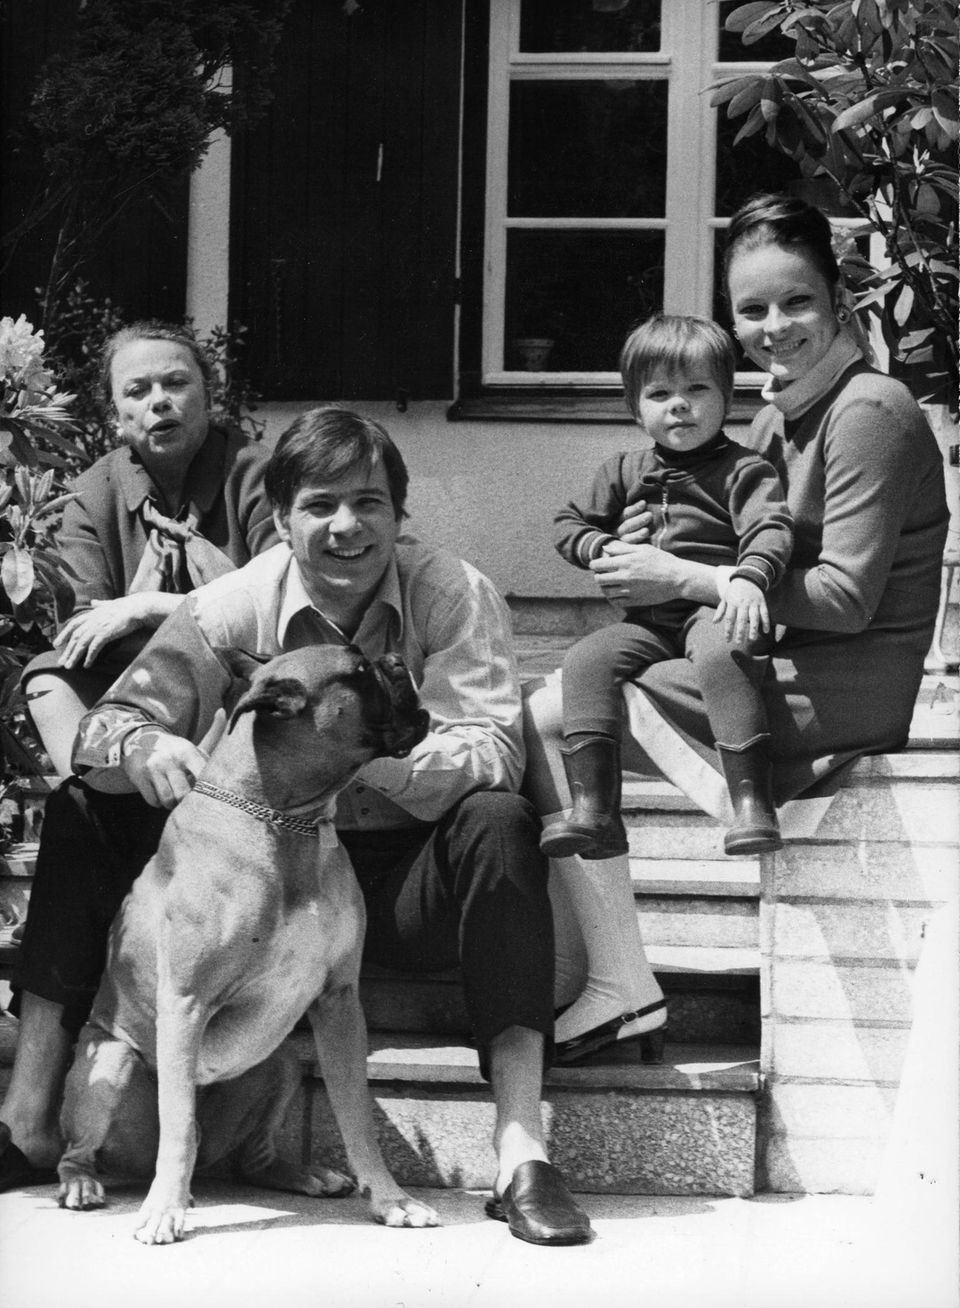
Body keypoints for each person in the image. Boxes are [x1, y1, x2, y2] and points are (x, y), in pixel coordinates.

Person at [0, 407, 593, 1246]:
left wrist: (349, 752)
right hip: (253, 864)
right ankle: (31, 1110)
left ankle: (522, 1149)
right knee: (84, 806)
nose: (346, 525)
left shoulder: (452, 590)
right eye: (319, 505)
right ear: (280, 521)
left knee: (498, 818)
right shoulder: (233, 604)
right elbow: (110, 722)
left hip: (393, 874)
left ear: (399, 513)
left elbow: (492, 751)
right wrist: (144, 743)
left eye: (369, 503)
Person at [524, 192, 949, 1066]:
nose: (774, 326)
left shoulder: (870, 412)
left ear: (841, 300)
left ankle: (617, 983)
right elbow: (716, 557)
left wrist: (691, 576)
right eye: (751, 309)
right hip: (772, 661)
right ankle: (613, 978)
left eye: (797, 301)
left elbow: (843, 598)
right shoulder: (770, 416)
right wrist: (636, 561)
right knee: (567, 691)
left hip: (846, 685)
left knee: (546, 716)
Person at [542, 313, 793, 862]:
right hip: (649, 622)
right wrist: (604, 547)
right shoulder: (623, 469)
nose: (679, 404)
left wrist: (750, 578)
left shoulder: (744, 470)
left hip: (712, 605)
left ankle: (751, 801)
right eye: (660, 393)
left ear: (727, 397)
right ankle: (597, 812)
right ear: (636, 407)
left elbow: (771, 529)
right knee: (586, 659)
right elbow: (568, 524)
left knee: (723, 653)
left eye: (697, 388)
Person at [22, 320, 278, 778]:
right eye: (137, 391)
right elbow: (84, 625)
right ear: (115, 417)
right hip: (132, 677)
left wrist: (146, 607)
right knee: (48, 677)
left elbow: (276, 605)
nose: (159, 400)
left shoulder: (256, 474)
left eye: (176, 383)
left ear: (207, 396)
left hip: (242, 669)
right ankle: (95, 797)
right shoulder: (92, 493)